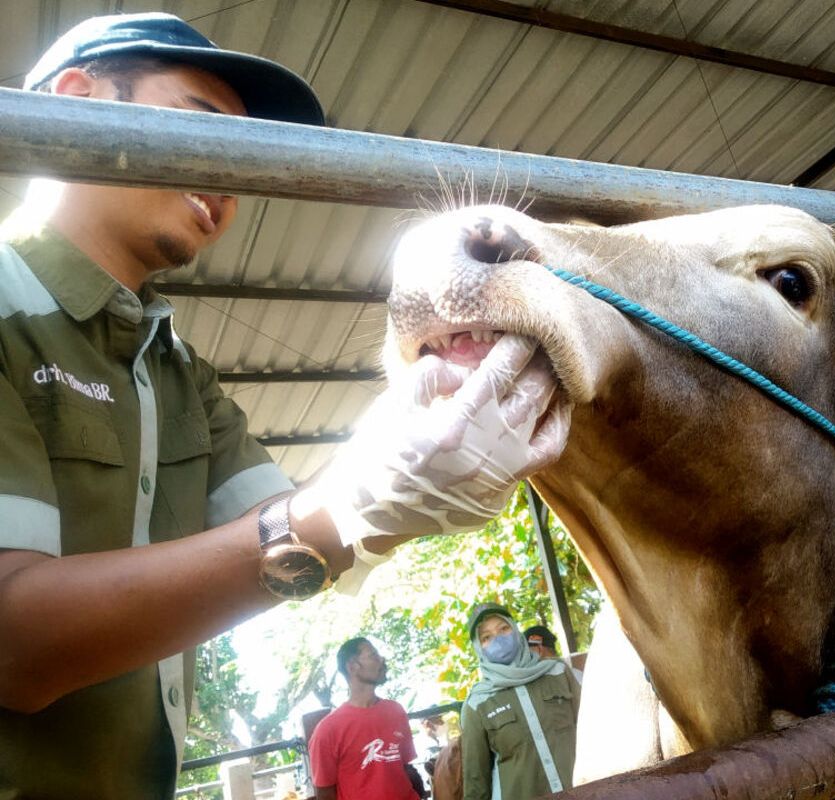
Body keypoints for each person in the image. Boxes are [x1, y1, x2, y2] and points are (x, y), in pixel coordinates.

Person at [0, 13, 569, 799]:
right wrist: (359, 500)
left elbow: (301, 533)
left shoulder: (177, 371)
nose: (227, 184)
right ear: (74, 98)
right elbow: (11, 646)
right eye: (206, 130)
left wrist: (421, 449)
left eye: (242, 160)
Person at [460, 604, 581, 800]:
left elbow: (593, 732)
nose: (498, 639)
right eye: (486, 637)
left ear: (515, 629)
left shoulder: (557, 672)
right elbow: (476, 780)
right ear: (478, 646)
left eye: (503, 628)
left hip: (583, 794)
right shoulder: (478, 703)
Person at [309, 638, 424, 800]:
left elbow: (405, 767)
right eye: (374, 655)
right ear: (352, 666)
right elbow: (324, 793)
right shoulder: (327, 730)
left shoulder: (395, 711)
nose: (382, 659)